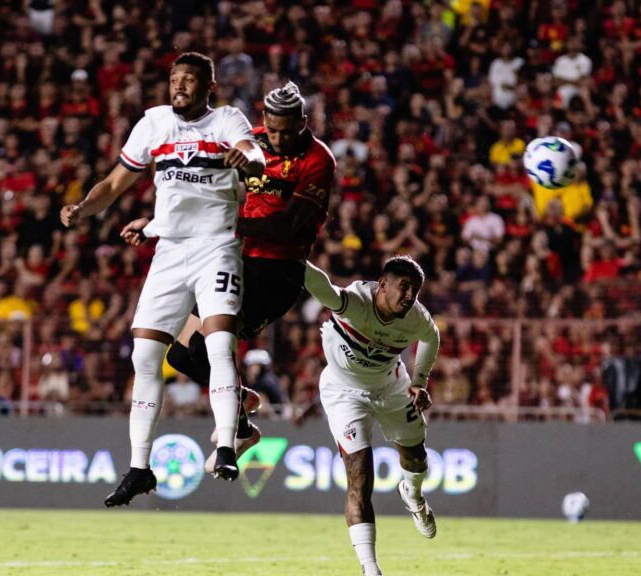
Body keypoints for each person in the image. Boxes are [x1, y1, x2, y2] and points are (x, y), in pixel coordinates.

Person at [61, 52, 266, 507]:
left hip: (217, 247)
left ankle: (228, 447)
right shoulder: (153, 123)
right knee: (146, 354)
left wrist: (248, 158)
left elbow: (255, 156)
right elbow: (114, 184)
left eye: (191, 80)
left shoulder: (227, 120)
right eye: (175, 78)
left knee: (217, 345)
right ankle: (139, 468)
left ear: (208, 87)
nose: (181, 86)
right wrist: (81, 209)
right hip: (169, 251)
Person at [121, 81, 336, 470]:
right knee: (178, 349)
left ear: (303, 122)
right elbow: (195, 192)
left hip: (276, 271)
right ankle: (241, 409)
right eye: (272, 129)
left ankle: (242, 421)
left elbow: (289, 224)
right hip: (231, 261)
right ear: (263, 121)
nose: (278, 138)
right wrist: (155, 224)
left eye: (287, 130)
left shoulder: (318, 159)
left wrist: (228, 226)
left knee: (199, 351)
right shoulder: (247, 142)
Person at [303, 255, 440, 576]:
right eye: (404, 287)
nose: (409, 296)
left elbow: (431, 338)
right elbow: (320, 286)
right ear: (382, 285)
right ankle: (370, 569)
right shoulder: (354, 303)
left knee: (416, 459)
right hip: (343, 392)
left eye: (415, 291)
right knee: (359, 476)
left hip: (393, 387)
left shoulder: (417, 318)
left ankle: (413, 495)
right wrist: (292, 256)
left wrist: (420, 382)